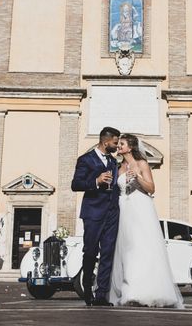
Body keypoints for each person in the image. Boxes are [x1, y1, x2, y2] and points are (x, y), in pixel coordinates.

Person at [108, 133, 183, 308]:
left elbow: (151, 188)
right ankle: (126, 289)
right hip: (123, 209)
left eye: (122, 144)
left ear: (131, 147)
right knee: (125, 251)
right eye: (118, 144)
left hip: (140, 208)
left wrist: (138, 177)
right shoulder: (118, 167)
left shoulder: (142, 164)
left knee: (141, 248)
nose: (118, 146)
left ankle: (142, 290)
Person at [71, 126, 121, 307]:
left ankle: (101, 295)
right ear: (106, 141)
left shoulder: (114, 162)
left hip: (112, 213)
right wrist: (96, 181)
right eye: (115, 143)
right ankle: (86, 292)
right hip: (93, 212)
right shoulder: (86, 160)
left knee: (108, 253)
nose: (116, 146)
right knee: (91, 251)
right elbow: (75, 184)